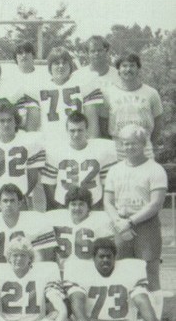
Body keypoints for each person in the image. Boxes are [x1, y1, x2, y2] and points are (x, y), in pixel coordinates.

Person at [63, 238, 164, 321]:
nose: (105, 260)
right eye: (101, 256)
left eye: (109, 256)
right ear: (93, 258)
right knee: (77, 319)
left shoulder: (130, 270)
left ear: (115, 257)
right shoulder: (82, 272)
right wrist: (81, 320)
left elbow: (142, 301)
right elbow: (77, 301)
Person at [103, 125, 166, 291]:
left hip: (145, 224)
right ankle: (129, 315)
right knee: (122, 271)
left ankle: (154, 316)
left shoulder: (155, 169)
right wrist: (118, 222)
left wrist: (130, 222)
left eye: (133, 143)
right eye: (125, 143)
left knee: (150, 272)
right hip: (120, 225)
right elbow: (108, 201)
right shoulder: (115, 170)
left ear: (144, 144)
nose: (129, 147)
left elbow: (156, 204)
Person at [0, 101, 45, 214]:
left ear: (16, 122)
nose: (6, 124)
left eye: (10, 120)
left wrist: (22, 196)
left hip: (19, 201)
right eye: (2, 121)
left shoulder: (28, 142)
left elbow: (33, 176)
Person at [42, 112, 118, 210]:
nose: (76, 134)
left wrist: (100, 205)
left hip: (93, 203)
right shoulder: (55, 151)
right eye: (72, 131)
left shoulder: (102, 150)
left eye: (80, 130)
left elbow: (107, 184)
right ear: (67, 131)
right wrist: (58, 206)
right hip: (64, 204)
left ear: (87, 130)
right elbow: (49, 184)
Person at [21, 47, 101, 138]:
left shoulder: (84, 84)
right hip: (49, 141)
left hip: (77, 141)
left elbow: (92, 122)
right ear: (50, 67)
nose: (61, 66)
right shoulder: (38, 87)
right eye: (56, 63)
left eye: (64, 63)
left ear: (70, 65)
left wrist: (92, 146)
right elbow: (32, 126)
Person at [0, 184, 57, 263]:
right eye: (5, 201)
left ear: (19, 203)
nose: (8, 204)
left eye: (12, 201)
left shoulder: (37, 220)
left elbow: (41, 257)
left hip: (28, 271)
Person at [103, 54, 162, 157]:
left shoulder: (151, 93)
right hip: (118, 151)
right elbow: (103, 123)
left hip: (145, 151)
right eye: (124, 66)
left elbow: (158, 122)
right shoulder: (108, 93)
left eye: (132, 65)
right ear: (118, 70)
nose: (128, 69)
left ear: (138, 69)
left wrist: (150, 143)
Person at [45, 186, 116, 264]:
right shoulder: (55, 219)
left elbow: (108, 253)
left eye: (81, 204)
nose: (77, 208)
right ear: (68, 206)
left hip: (89, 269)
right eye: (73, 204)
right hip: (64, 269)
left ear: (88, 206)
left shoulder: (100, 220)